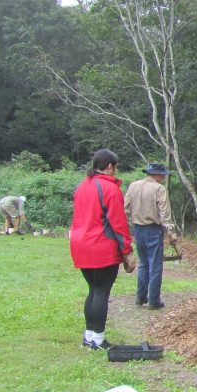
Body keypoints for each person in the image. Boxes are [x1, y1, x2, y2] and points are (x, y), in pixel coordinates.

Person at [69, 149, 135, 350]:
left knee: (93, 290)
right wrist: (127, 251)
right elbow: (118, 222)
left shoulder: (83, 186)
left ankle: (88, 336)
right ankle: (98, 340)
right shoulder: (110, 189)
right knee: (101, 291)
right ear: (110, 166)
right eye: (116, 167)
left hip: (80, 243)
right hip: (100, 245)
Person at [124, 163, 177, 310]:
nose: (164, 178)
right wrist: (171, 233)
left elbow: (125, 208)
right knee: (155, 265)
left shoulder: (133, 186)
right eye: (163, 176)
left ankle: (140, 297)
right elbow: (164, 213)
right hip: (153, 229)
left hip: (138, 229)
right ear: (158, 175)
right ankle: (154, 300)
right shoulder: (159, 189)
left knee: (143, 263)